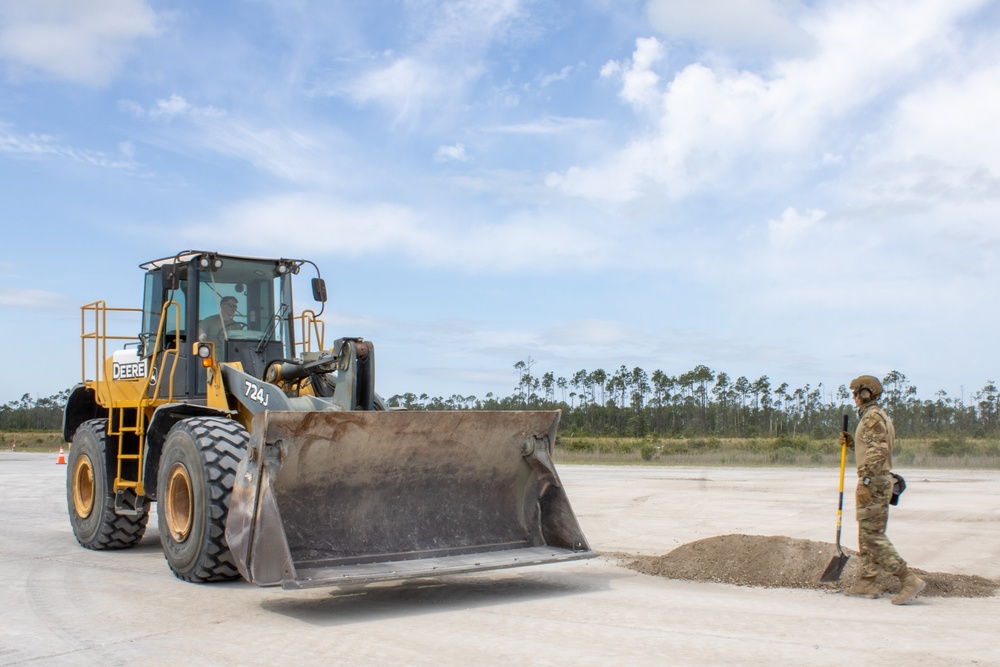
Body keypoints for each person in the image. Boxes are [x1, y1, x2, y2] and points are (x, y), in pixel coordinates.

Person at [839, 374, 925, 605]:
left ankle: (908, 579)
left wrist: (866, 481)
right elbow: (872, 448)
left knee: (872, 536)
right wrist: (852, 443)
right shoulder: (875, 416)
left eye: (857, 392)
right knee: (866, 533)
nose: (854, 397)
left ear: (867, 393)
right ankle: (867, 581)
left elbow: (878, 451)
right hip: (877, 479)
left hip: (874, 482)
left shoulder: (872, 418)